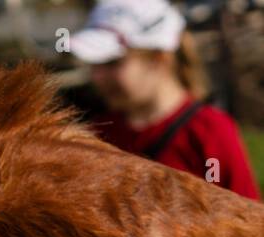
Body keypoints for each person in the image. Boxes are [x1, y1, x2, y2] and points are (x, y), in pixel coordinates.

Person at [72, 0, 260, 200]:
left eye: (112, 62)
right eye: (94, 64)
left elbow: (246, 223)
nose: (97, 77)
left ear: (159, 58)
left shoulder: (209, 133)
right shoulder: (99, 134)